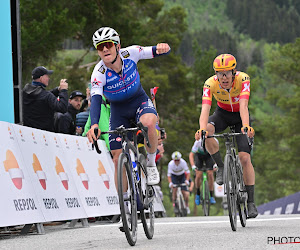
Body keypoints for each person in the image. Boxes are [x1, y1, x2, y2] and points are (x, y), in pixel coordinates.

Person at [86, 27, 171, 186]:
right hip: (118, 111)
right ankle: (124, 203)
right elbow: (96, 99)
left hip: (139, 100)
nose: (105, 49)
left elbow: (154, 51)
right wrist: (94, 124)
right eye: (100, 47)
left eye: (108, 44)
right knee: (117, 158)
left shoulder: (131, 53)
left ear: (117, 46)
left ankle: (151, 163)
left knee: (149, 123)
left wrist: (163, 48)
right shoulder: (98, 73)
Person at [196, 54, 258, 218]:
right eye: (219, 73)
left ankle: (251, 202)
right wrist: (202, 128)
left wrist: (245, 125)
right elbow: (205, 109)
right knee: (207, 132)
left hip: (240, 116)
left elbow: (244, 105)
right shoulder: (210, 83)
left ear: (234, 72)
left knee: (244, 158)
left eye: (227, 73)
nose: (223, 77)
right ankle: (221, 166)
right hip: (222, 114)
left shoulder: (243, 79)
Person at [22, 66, 68, 132]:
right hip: (44, 136)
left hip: (27, 133)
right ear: (41, 78)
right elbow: (62, 108)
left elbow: (42, 95)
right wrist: (63, 91)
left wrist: (57, 90)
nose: (48, 78)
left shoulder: (24, 92)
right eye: (47, 76)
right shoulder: (46, 96)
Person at [189, 138, 217, 205]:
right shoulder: (198, 142)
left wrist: (216, 163)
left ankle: (211, 195)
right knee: (198, 174)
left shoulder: (214, 140)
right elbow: (191, 155)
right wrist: (193, 166)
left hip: (209, 155)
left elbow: (216, 153)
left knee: (210, 174)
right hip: (199, 156)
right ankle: (198, 194)